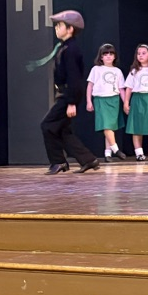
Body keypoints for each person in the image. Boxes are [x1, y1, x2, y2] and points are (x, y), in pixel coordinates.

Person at [40, 10, 99, 175]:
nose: (56, 29)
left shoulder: (71, 50)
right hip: (66, 94)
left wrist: (71, 102)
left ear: (70, 28)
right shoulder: (65, 47)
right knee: (62, 130)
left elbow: (74, 77)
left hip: (69, 95)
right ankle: (88, 159)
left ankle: (58, 161)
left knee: (47, 125)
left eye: (59, 25)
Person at [86, 43, 126, 162]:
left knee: (110, 128)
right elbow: (90, 85)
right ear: (101, 57)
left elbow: (121, 89)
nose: (108, 56)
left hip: (114, 100)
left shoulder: (117, 71)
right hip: (101, 99)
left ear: (115, 56)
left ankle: (107, 154)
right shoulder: (96, 69)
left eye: (111, 54)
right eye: (105, 54)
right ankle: (116, 149)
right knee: (106, 125)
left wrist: (125, 103)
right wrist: (89, 101)